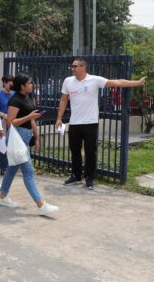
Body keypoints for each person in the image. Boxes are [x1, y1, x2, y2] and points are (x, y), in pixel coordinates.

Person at [55, 58, 147, 190]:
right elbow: (63, 100)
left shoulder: (95, 80)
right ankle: (76, 175)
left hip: (90, 123)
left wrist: (137, 83)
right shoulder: (68, 81)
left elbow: (117, 82)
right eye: (72, 66)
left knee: (90, 152)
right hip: (74, 123)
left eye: (75, 66)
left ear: (83, 66)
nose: (72, 68)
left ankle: (89, 177)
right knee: (74, 150)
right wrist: (59, 118)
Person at [0, 73, 59, 217]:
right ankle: (41, 204)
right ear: (22, 86)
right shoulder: (15, 100)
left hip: (25, 136)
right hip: (16, 137)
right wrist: (29, 117)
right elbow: (10, 122)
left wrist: (37, 138)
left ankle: (2, 197)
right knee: (29, 172)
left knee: (12, 169)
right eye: (30, 83)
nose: (32, 85)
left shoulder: (28, 98)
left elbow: (32, 120)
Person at [0, 75, 15, 175]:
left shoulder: (14, 94)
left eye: (12, 83)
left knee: (12, 144)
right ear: (4, 83)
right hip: (2, 122)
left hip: (13, 122)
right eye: (9, 83)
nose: (10, 85)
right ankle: (3, 167)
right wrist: (3, 115)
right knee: (3, 145)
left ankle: (11, 165)